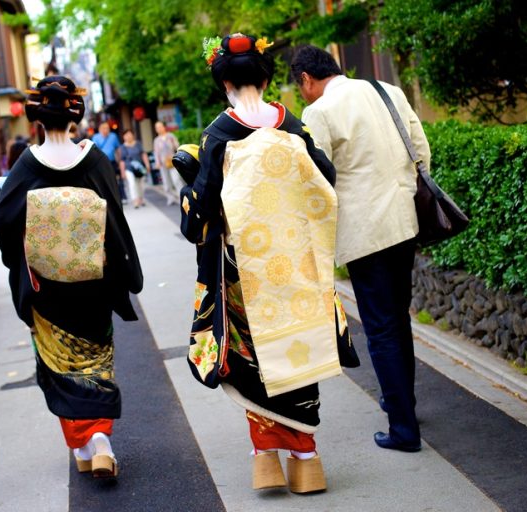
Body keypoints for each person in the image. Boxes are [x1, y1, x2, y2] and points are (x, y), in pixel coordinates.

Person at [180, 34, 355, 494]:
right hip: (295, 260)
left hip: (246, 267)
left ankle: (267, 460)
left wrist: (188, 191)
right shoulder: (289, 123)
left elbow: (201, 207)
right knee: (298, 349)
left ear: (224, 84)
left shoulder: (220, 131)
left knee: (255, 358)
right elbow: (325, 178)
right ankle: (307, 459)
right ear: (265, 76)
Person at [0, 76, 143, 478]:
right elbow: (116, 221)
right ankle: (102, 442)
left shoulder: (27, 163)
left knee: (61, 365)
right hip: (93, 284)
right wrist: (123, 270)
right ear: (76, 114)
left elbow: (2, 220)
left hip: (47, 289)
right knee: (94, 360)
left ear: (37, 116)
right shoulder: (94, 161)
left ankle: (82, 446)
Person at [292, 45, 431, 453]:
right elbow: (420, 151)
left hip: (363, 235)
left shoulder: (319, 112)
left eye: (299, 87)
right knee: (398, 319)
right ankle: (403, 404)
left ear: (306, 79)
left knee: (381, 327)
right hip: (404, 223)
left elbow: (316, 182)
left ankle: (404, 429)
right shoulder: (386, 90)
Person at [91, 122, 126, 203]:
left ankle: (121, 197)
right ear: (99, 129)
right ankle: (107, 198)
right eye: (103, 128)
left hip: (112, 162)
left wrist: (119, 160)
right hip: (101, 163)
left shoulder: (113, 136)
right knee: (104, 181)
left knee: (116, 179)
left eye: (107, 128)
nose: (105, 130)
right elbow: (94, 151)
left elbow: (117, 149)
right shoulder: (95, 137)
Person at [118, 129, 151, 209]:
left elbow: (143, 154)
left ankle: (141, 198)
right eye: (126, 135)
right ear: (124, 137)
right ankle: (135, 200)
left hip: (140, 168)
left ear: (133, 135)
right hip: (128, 168)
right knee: (132, 184)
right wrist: (122, 172)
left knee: (141, 184)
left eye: (130, 134)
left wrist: (147, 164)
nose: (128, 136)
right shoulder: (122, 147)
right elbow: (122, 160)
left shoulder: (138, 144)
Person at [153, 121, 182, 205]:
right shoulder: (156, 140)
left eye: (160, 126)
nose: (159, 129)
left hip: (173, 161)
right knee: (166, 182)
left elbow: (177, 146)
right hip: (163, 163)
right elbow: (156, 153)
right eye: (157, 128)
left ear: (164, 127)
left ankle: (181, 197)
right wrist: (157, 163)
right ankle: (170, 197)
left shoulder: (170, 136)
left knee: (176, 179)